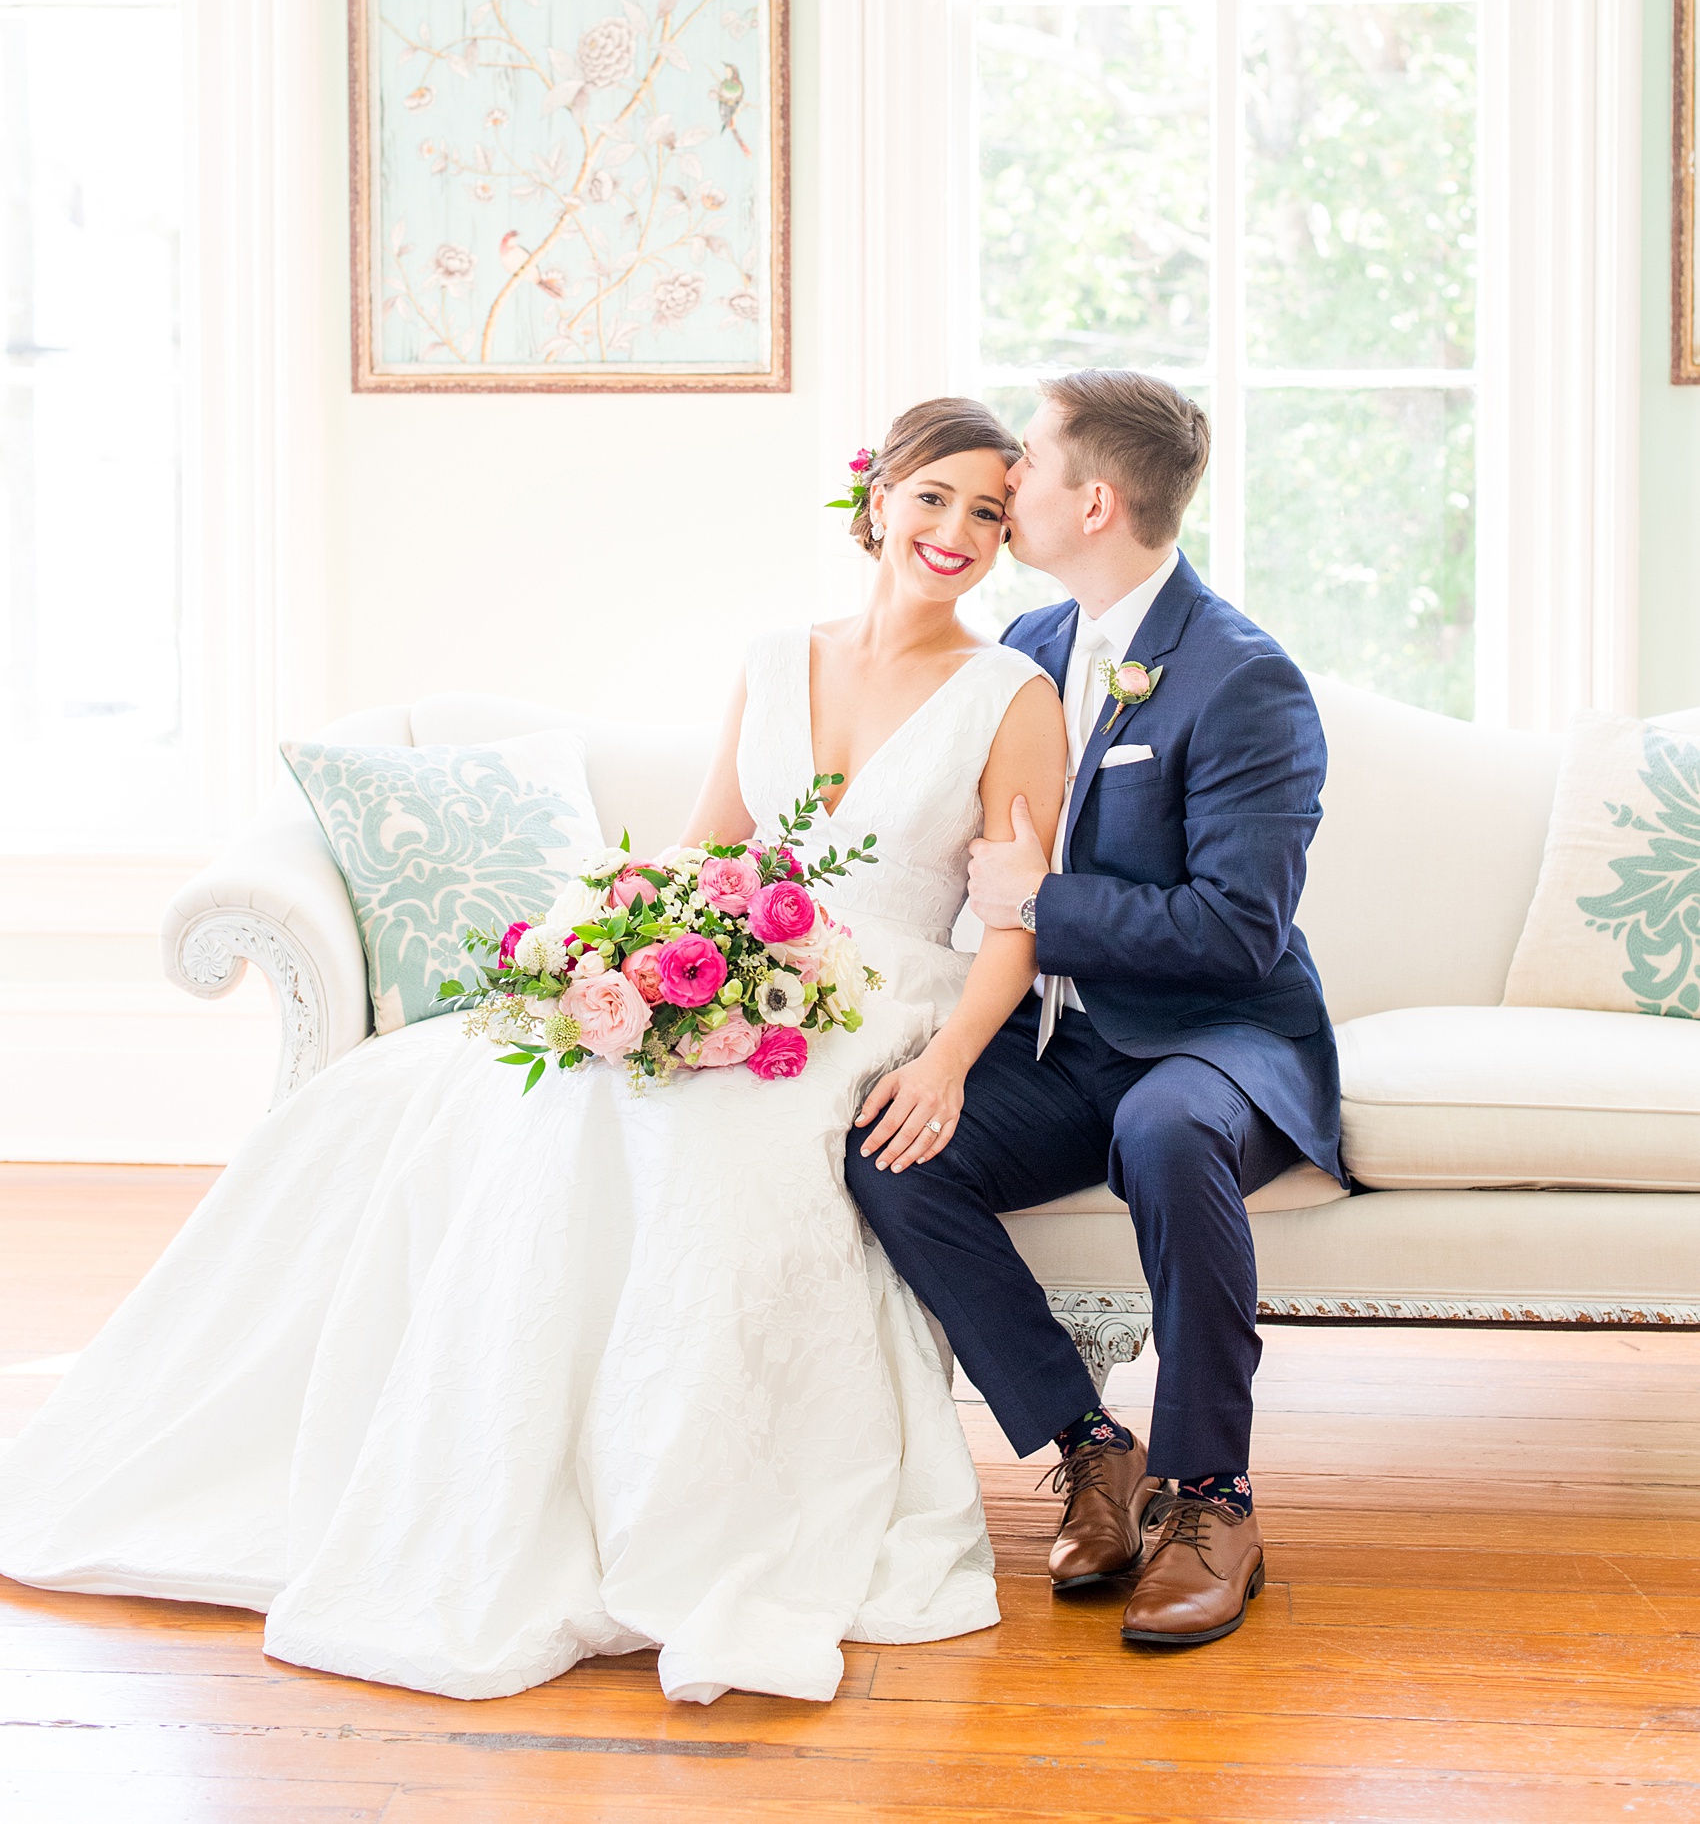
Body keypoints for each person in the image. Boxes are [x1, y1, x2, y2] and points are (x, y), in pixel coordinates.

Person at [0, 398, 1068, 1708]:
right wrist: (634, 948)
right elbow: (710, 842)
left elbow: (1019, 916)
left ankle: (677, 1510)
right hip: (738, 960)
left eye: (989, 514)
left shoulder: (1013, 692)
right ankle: (480, 1470)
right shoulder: (775, 653)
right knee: (466, 1089)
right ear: (878, 495)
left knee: (711, 1138)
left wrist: (951, 1059)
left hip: (884, 994)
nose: (955, 531)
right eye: (936, 496)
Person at [848, 370, 1341, 1650]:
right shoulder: (1031, 649)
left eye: (1032, 464)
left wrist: (1046, 900)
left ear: (1095, 498)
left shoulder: (1244, 679)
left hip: (1213, 1041)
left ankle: (1209, 1499)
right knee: (892, 1150)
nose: (1008, 483)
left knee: (1168, 1134)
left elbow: (1240, 932)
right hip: (1058, 1044)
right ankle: (1087, 1447)